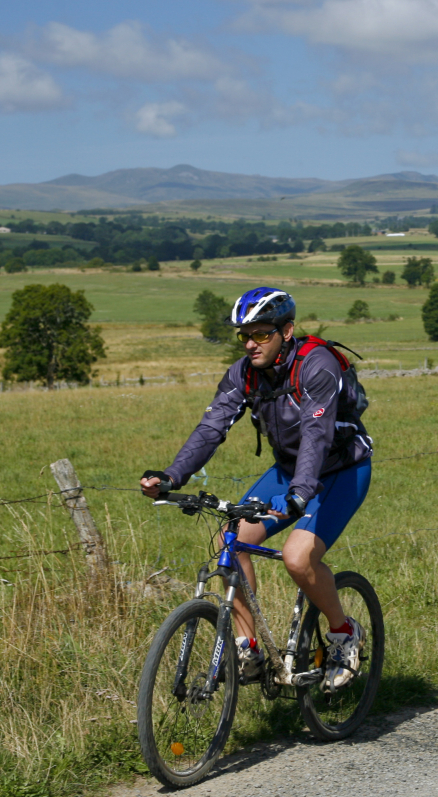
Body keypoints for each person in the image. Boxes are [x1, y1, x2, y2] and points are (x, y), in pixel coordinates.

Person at [140, 286, 372, 690]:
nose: (250, 344)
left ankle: (343, 633)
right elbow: (212, 428)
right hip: (286, 470)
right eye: (244, 335)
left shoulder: (316, 366)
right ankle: (250, 648)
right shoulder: (243, 373)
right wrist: (173, 475)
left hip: (340, 470)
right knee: (231, 539)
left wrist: (300, 495)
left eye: (261, 334)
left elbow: (317, 435)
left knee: (297, 558)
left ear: (287, 331)